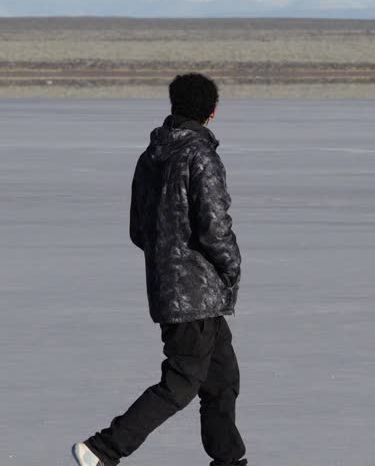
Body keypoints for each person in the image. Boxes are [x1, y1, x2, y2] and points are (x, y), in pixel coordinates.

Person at [72, 73, 247, 466]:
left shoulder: (151, 156)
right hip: (199, 293)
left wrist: (167, 263)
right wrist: (231, 268)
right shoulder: (200, 156)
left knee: (221, 380)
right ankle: (103, 449)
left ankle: (229, 462)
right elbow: (215, 227)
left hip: (174, 290)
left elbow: (139, 229)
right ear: (212, 113)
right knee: (181, 381)